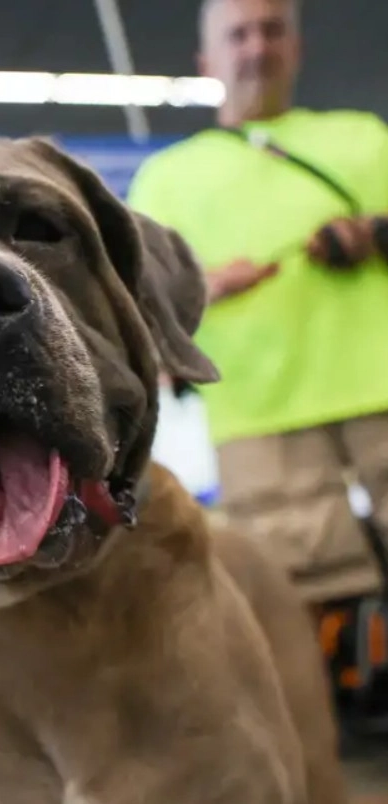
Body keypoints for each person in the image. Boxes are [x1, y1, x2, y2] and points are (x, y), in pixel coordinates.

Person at [128, 0, 388, 604]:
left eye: (272, 31)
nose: (256, 47)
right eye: (238, 34)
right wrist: (208, 285)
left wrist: (371, 235)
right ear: (207, 59)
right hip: (257, 425)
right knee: (307, 608)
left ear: (296, 48)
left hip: (379, 395)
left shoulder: (366, 138)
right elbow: (140, 304)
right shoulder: (166, 179)